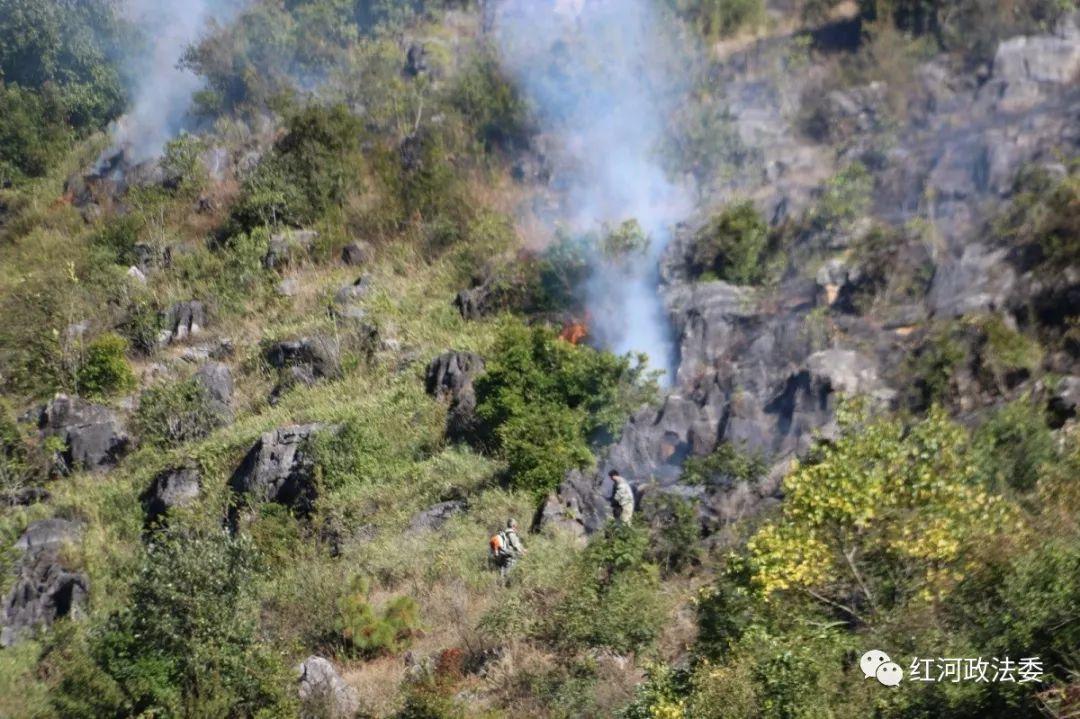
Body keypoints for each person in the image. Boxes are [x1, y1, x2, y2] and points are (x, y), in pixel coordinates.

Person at [490, 518, 527, 582]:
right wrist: (522, 552)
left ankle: (500, 584)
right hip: (510, 555)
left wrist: (523, 549)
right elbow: (515, 545)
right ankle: (502, 585)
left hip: (506, 554)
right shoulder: (511, 533)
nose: (516, 527)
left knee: (504, 570)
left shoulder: (506, 532)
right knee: (507, 571)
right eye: (516, 525)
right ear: (513, 525)